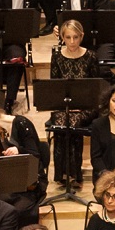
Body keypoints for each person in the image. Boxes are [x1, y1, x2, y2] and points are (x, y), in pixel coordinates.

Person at [0, 97, 48, 226]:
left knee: (16, 211)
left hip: (31, 183)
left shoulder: (22, 124)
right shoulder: (0, 131)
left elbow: (36, 154)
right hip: (14, 181)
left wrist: (18, 150)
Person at [48, 18, 101, 188]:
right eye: (68, 37)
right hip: (63, 106)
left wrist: (82, 104)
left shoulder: (91, 56)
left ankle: (74, 173)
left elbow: (96, 88)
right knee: (62, 121)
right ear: (62, 37)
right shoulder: (56, 56)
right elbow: (54, 87)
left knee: (74, 121)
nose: (72, 41)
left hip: (86, 107)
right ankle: (62, 173)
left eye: (76, 37)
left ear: (82, 36)